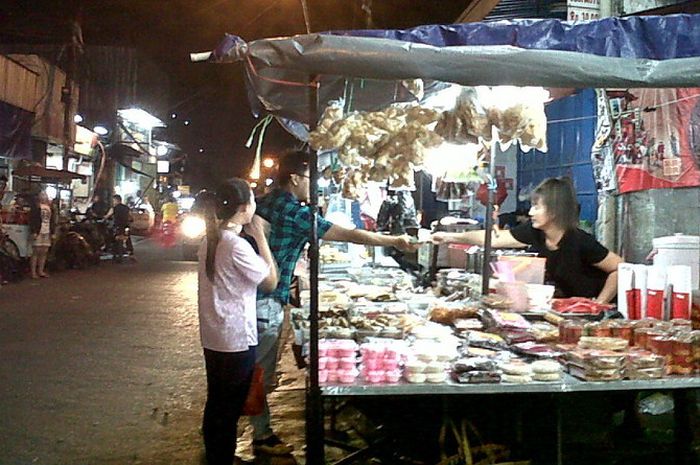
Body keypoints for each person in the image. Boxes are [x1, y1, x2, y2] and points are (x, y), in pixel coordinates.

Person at [250, 150, 416, 456]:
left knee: (256, 372)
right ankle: (260, 435)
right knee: (259, 374)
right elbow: (347, 234)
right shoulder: (293, 211)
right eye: (311, 178)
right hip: (266, 301)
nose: (314, 184)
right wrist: (394, 241)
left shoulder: (267, 200)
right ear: (296, 178)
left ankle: (252, 427)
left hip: (258, 297)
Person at [432, 177, 622, 303]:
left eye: (537, 207)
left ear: (555, 210)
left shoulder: (580, 241)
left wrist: (599, 303)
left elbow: (619, 268)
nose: (530, 212)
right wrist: (450, 236)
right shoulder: (535, 232)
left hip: (593, 314)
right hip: (570, 309)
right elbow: (494, 239)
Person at [197, 178, 278, 465]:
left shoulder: (211, 238)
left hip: (215, 336)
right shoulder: (236, 245)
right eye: (253, 201)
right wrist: (261, 238)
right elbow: (270, 281)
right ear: (245, 208)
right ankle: (222, 458)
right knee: (229, 407)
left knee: (217, 401)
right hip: (235, 338)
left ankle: (216, 454)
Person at [29, 191, 53, 279]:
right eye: (42, 195)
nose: (44, 196)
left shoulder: (49, 207)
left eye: (45, 195)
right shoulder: (36, 207)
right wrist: (34, 231)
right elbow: (32, 219)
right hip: (39, 230)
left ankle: (41, 270)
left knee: (44, 251)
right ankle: (33, 272)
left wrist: (52, 231)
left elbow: (52, 220)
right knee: (36, 251)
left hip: (47, 230)